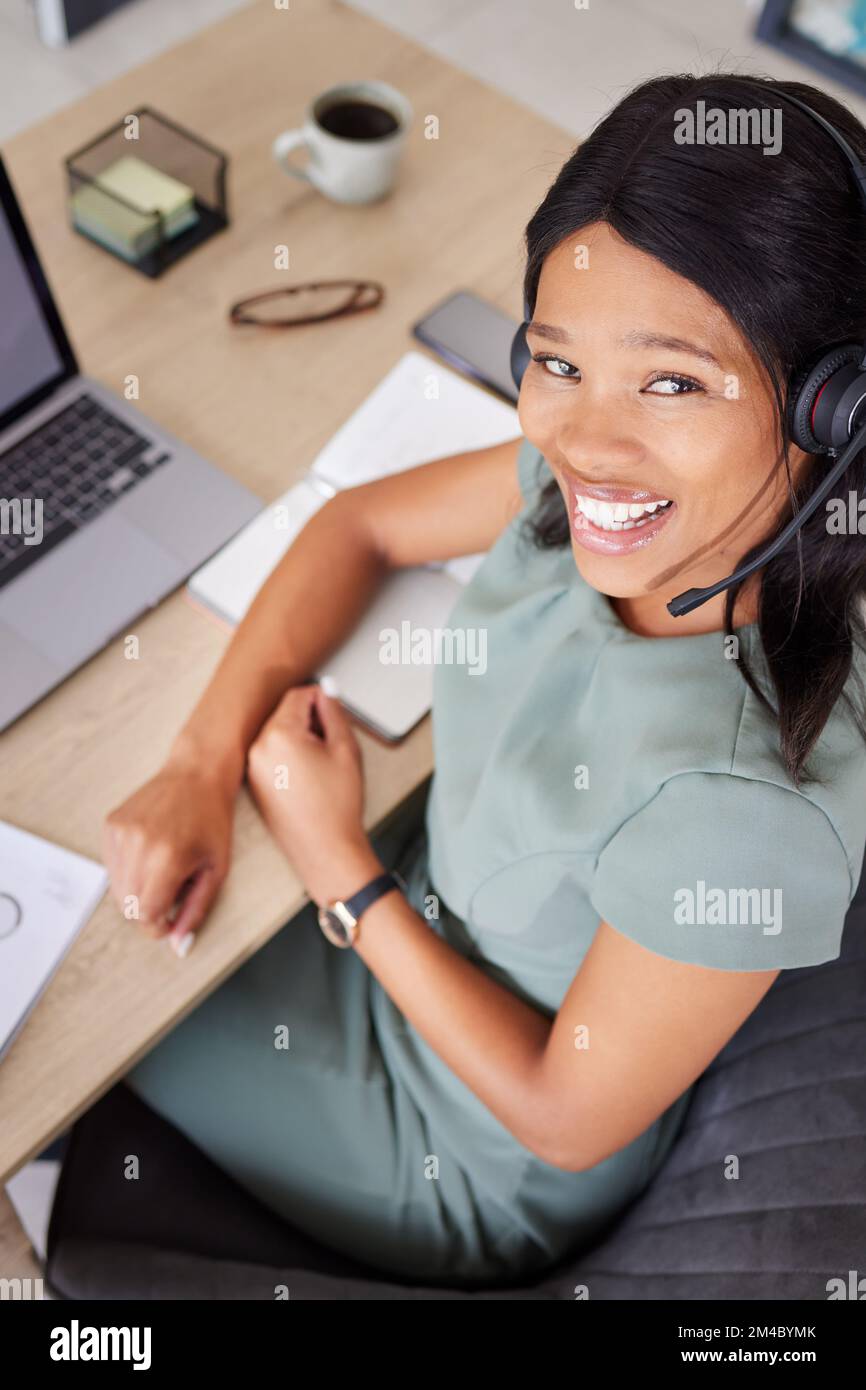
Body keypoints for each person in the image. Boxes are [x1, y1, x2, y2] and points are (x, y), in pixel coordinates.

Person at [104, 72, 866, 1289]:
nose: (580, 439)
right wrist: (198, 761)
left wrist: (337, 869)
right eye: (553, 361)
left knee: (74, 1009)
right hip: (409, 901)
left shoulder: (748, 810)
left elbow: (564, 1115)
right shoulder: (597, 490)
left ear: (834, 412)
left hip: (460, 1130)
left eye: (670, 381)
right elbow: (357, 525)